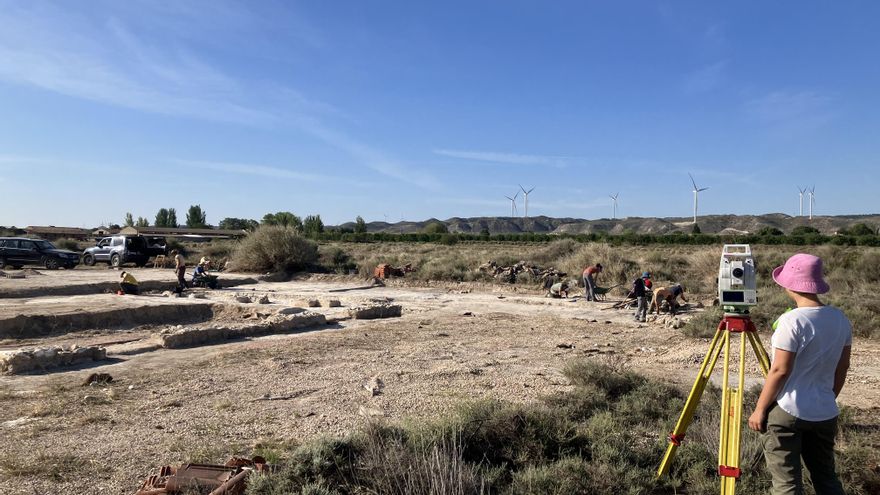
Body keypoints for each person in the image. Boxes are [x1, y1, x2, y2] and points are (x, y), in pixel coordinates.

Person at [747, 253, 851, 495]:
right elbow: (842, 367)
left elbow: (780, 370)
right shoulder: (841, 319)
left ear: (789, 284)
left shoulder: (791, 321)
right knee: (826, 479)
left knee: (787, 485)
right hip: (825, 412)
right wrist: (827, 396)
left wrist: (760, 409)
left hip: (788, 411)